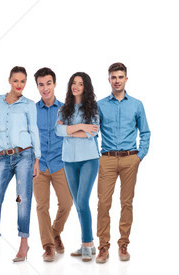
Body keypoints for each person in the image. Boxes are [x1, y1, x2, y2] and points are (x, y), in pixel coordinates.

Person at [95, 62, 150, 263]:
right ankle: (103, 246)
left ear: (126, 78)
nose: (117, 81)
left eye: (120, 77)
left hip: (130, 159)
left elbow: (145, 132)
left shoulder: (136, 104)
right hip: (107, 160)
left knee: (126, 202)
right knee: (103, 203)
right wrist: (97, 156)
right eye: (113, 77)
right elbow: (93, 133)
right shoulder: (100, 105)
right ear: (108, 79)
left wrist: (139, 156)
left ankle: (123, 243)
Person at [0, 66, 40, 262]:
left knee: (22, 199)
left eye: (23, 81)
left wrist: (37, 159)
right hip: (1, 156)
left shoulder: (29, 104)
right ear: (9, 80)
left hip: (24, 155)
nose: (19, 85)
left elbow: (34, 130)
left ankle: (24, 243)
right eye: (16, 80)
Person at [54, 72, 99, 262]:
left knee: (82, 202)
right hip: (69, 161)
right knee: (79, 203)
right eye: (74, 83)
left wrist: (70, 131)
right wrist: (81, 126)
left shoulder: (93, 109)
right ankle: (87, 245)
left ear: (85, 87)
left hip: (89, 159)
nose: (76, 86)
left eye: (80, 84)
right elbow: (58, 130)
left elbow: (93, 133)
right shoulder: (63, 109)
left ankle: (87, 244)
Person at [32, 67, 73, 262]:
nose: (45, 88)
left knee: (67, 202)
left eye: (48, 83)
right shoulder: (31, 110)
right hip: (39, 166)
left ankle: (55, 232)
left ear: (54, 84)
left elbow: (73, 135)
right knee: (42, 206)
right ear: (37, 87)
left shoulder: (66, 109)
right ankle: (48, 246)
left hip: (60, 163)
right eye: (41, 84)